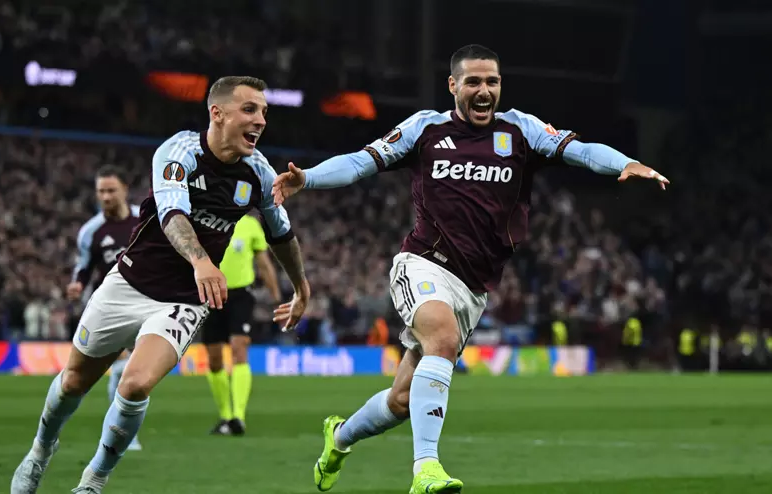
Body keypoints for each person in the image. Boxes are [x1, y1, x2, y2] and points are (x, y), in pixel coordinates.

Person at [272, 44, 670, 494]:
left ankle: (340, 437)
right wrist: (309, 177)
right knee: (441, 339)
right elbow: (361, 162)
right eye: (474, 82)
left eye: (492, 82)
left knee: (402, 400)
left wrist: (625, 163)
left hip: (474, 288)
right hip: (423, 262)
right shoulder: (425, 128)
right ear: (453, 85)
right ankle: (426, 469)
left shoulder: (521, 130)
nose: (484, 91)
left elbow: (581, 150)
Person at [11, 76, 310, 494]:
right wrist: (201, 261)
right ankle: (40, 451)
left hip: (184, 300)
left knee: (135, 384)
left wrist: (301, 287)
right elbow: (172, 213)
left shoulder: (259, 172)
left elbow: (281, 233)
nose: (260, 120)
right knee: (73, 382)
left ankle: (93, 480)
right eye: (249, 109)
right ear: (217, 114)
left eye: (263, 112)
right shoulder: (179, 151)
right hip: (129, 282)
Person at [67, 164, 143, 451]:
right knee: (95, 375)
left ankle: (122, 432)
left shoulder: (146, 219)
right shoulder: (91, 231)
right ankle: (120, 431)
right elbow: (84, 266)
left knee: (133, 373)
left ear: (125, 189)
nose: (106, 197)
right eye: (101, 191)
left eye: (111, 190)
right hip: (110, 309)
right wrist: (77, 284)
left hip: (146, 303)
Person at [204, 210, 282, 436]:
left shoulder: (250, 225)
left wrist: (276, 295)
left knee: (239, 349)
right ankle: (226, 416)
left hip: (240, 296)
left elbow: (264, 263)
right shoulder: (208, 221)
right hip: (210, 294)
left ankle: (238, 417)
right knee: (214, 359)